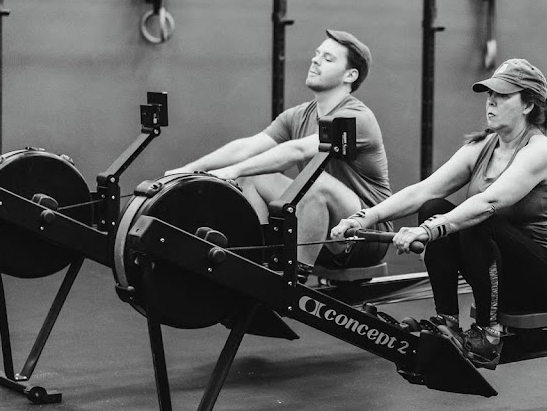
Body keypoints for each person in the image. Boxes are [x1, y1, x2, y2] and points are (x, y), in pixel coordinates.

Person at [331, 59, 547, 369]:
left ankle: (488, 336)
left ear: (528, 104)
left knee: (475, 219)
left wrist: (429, 231)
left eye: (502, 96)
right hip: (502, 270)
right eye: (489, 94)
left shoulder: (540, 151)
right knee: (433, 208)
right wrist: (364, 218)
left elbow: (489, 202)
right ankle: (447, 322)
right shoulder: (484, 146)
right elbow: (425, 190)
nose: (490, 101)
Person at [167, 29, 392, 270]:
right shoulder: (298, 115)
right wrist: (191, 169)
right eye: (317, 54)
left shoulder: (357, 118)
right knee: (252, 177)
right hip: (320, 229)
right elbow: (248, 146)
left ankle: (293, 283)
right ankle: (260, 259)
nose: (315, 60)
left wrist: (231, 171)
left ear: (350, 74)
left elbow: (297, 151)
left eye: (328, 58)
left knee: (314, 183)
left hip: (365, 236)